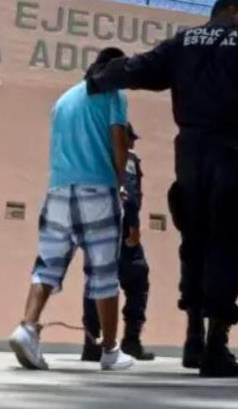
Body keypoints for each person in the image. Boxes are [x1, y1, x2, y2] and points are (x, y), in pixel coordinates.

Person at [86, 0, 238, 377]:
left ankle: (193, 340)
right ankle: (216, 347)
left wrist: (98, 77)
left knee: (195, 240)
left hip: (189, 152)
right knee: (227, 239)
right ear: (236, 13)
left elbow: (139, 68)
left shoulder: (182, 43)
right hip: (234, 151)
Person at [8, 47, 136, 372]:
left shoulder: (63, 100)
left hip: (58, 190)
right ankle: (109, 350)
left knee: (48, 264)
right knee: (104, 272)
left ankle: (27, 328)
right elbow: (119, 144)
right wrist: (122, 183)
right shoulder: (113, 94)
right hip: (97, 188)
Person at [81, 123, 155, 361]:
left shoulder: (94, 159)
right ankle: (131, 340)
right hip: (120, 231)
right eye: (130, 138)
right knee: (137, 281)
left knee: (96, 283)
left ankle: (92, 344)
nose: (133, 144)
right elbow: (129, 194)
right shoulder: (127, 159)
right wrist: (132, 226)